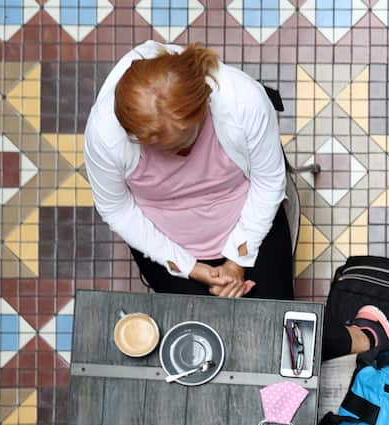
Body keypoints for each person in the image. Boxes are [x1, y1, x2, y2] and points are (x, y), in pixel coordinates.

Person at [85, 41, 292, 300]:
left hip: (247, 216)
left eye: (182, 142)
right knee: (192, 329)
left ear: (203, 105)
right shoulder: (105, 134)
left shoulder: (243, 100)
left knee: (278, 315)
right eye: (156, 147)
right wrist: (188, 267)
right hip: (163, 239)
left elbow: (268, 182)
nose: (173, 156)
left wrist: (237, 261)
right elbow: (117, 209)